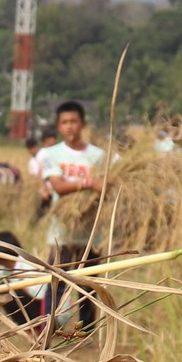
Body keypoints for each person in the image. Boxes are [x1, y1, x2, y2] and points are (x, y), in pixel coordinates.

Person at [35, 100, 109, 331]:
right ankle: (49, 329)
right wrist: (90, 183)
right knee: (56, 283)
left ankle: (86, 332)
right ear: (58, 126)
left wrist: (103, 186)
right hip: (61, 233)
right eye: (65, 122)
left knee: (89, 286)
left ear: (83, 124)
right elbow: (58, 186)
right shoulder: (50, 154)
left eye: (74, 122)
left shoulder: (99, 156)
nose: (70, 127)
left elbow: (109, 187)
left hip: (91, 234)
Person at [0, 230, 47, 330]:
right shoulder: (4, 270)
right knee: (3, 292)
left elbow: (41, 296)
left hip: (48, 312)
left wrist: (21, 286)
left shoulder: (28, 265)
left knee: (11, 293)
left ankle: (36, 330)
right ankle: (29, 330)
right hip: (35, 311)